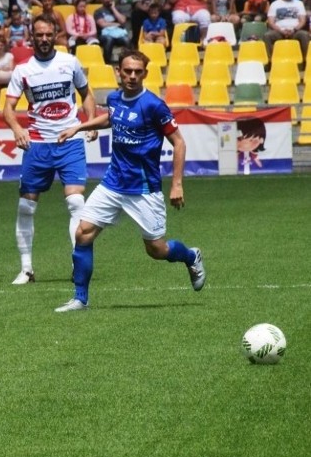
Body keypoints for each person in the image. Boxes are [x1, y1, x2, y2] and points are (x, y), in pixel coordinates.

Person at [53, 49, 205, 312]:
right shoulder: (114, 98)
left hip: (144, 188)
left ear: (145, 73)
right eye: (127, 71)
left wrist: (177, 183)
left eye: (138, 71)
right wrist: (80, 126)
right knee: (83, 233)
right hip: (113, 183)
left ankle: (191, 256)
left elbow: (178, 142)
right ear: (118, 72)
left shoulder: (153, 105)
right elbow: (112, 118)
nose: (132, 76)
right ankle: (80, 298)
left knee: (156, 249)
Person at [2, 13, 97, 285]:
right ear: (32, 36)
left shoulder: (70, 62)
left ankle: (77, 264)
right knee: (25, 207)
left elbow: (86, 93)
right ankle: (26, 269)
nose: (44, 39)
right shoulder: (23, 70)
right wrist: (17, 130)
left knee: (76, 202)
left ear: (55, 35)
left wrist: (89, 122)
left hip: (69, 140)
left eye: (48, 35)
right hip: (38, 144)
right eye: (39, 35)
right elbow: (8, 108)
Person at [263, 0, 309, 65]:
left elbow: (302, 20)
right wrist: (281, 31)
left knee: (304, 35)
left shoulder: (299, 3)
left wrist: (294, 29)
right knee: (267, 36)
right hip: (279, 31)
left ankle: (306, 62)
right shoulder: (275, 4)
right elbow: (271, 22)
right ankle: (270, 62)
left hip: (295, 31)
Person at [94, 0, 129, 64]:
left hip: (118, 34)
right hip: (104, 35)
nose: (108, 0)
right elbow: (103, 24)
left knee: (126, 39)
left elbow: (122, 21)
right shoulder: (98, 11)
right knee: (109, 39)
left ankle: (128, 61)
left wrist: (113, 8)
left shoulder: (118, 9)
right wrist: (117, 24)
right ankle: (107, 63)